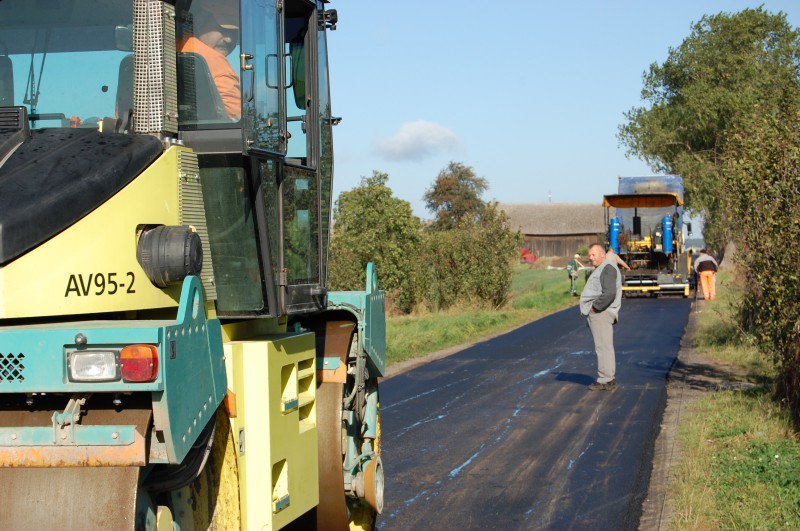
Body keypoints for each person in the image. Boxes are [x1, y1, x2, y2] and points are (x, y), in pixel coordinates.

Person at [179, 0, 241, 119]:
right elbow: (233, 122)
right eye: (223, 30)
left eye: (234, 32)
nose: (229, 39)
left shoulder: (172, 47)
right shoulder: (216, 63)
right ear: (199, 21)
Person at [580, 243, 622, 391]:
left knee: (602, 347)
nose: (590, 258)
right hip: (600, 312)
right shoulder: (604, 268)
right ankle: (608, 378)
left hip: (602, 313)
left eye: (593, 254)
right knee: (605, 346)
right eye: (589, 255)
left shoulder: (608, 268)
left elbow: (609, 293)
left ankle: (605, 379)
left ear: (602, 254)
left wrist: (595, 308)